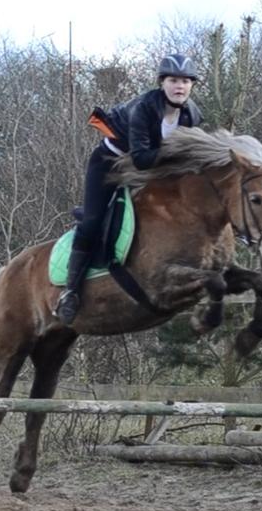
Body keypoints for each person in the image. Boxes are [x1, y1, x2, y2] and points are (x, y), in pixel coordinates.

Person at [55, 53, 203, 325]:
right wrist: (180, 155)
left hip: (152, 171)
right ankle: (70, 292)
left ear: (192, 85)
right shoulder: (145, 108)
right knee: (92, 222)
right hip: (111, 164)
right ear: (162, 83)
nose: (179, 86)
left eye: (185, 81)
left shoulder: (192, 114)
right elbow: (142, 159)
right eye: (173, 80)